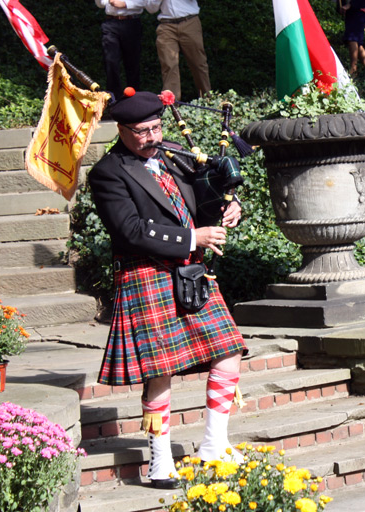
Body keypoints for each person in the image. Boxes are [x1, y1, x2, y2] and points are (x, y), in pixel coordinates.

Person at [88, 88, 248, 489]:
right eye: (142, 131)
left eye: (156, 127)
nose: (152, 137)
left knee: (228, 351)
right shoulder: (108, 173)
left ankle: (214, 443)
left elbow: (203, 200)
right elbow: (130, 230)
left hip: (190, 273)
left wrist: (229, 208)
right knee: (160, 372)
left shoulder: (173, 156)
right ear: (122, 130)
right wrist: (193, 238)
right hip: (146, 273)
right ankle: (161, 460)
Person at [142, 0, 211, 101]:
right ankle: (171, 106)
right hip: (166, 25)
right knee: (169, 65)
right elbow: (151, 8)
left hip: (190, 22)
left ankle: (208, 100)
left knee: (198, 63)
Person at [95, 0, 144, 99]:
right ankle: (114, 99)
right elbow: (100, 4)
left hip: (131, 22)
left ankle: (134, 99)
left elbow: (146, 3)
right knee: (110, 61)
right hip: (111, 22)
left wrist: (126, 4)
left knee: (132, 63)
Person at [341, 0, 365, 75]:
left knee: (352, 38)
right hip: (355, 8)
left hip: (359, 7)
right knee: (358, 42)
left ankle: (353, 69)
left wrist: (350, 4)